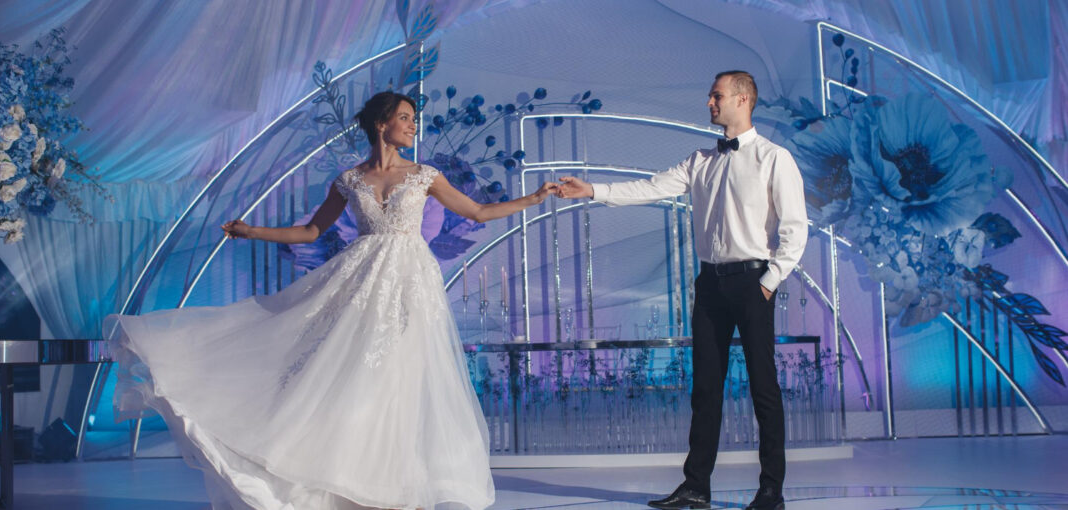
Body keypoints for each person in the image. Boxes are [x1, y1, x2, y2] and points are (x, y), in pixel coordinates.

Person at [106, 90, 558, 510]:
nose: (412, 126)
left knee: (401, 381)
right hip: (360, 283)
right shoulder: (349, 179)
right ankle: (346, 486)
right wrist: (253, 231)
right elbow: (311, 231)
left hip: (409, 288)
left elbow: (477, 212)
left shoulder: (424, 175)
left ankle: (397, 489)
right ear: (381, 124)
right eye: (404, 118)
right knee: (353, 379)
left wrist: (535, 198)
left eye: (413, 120)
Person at [557, 71, 807, 510]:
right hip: (710, 282)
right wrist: (592, 189)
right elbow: (650, 187)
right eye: (710, 96)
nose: (709, 102)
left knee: (763, 388)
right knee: (705, 388)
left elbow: (795, 230)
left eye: (717, 96)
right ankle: (696, 486)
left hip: (753, 282)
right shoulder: (700, 161)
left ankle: (771, 490)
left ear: (743, 99)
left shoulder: (774, 158)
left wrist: (769, 283)